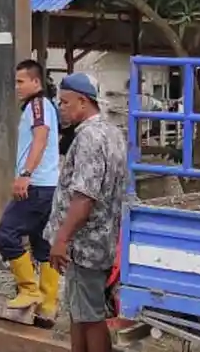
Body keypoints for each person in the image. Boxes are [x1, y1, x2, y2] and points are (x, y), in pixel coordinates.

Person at [46, 73, 128, 352]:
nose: (61, 108)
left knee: (90, 317)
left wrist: (62, 239)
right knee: (81, 313)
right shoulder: (112, 133)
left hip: (85, 244)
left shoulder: (89, 138)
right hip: (103, 238)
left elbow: (84, 197)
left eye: (65, 102)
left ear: (83, 101)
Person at [0, 59, 63, 321]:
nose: (17, 87)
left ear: (36, 82)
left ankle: (29, 289)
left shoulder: (38, 105)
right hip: (49, 186)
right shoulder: (42, 106)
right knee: (41, 243)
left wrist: (26, 174)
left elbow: (41, 137)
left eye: (21, 81)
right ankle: (48, 306)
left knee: (6, 234)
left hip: (37, 185)